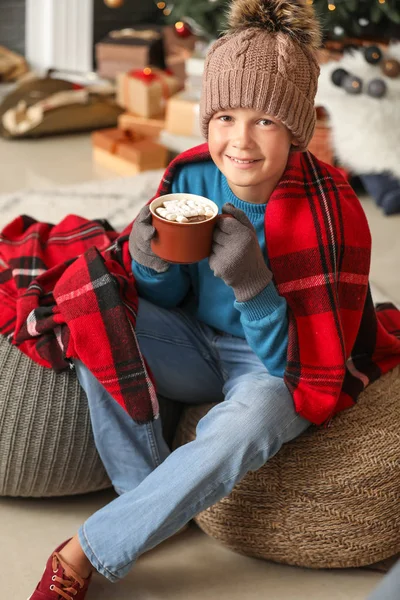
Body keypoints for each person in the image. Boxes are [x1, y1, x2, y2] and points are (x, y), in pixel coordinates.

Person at [28, 1, 400, 598]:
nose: (240, 142)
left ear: (297, 129)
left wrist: (253, 284)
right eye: (224, 116)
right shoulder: (190, 175)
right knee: (93, 306)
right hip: (193, 344)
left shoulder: (333, 212)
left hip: (269, 365)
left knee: (252, 422)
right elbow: (168, 298)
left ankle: (85, 551)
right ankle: (145, 500)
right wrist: (150, 266)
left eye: (266, 121)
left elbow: (296, 369)